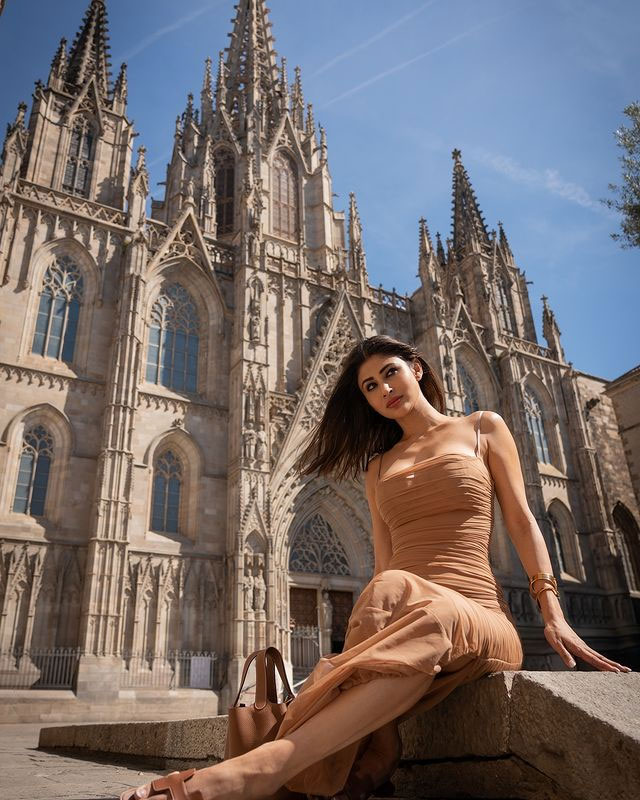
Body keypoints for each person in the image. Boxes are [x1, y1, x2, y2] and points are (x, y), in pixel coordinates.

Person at [118, 335, 631, 800]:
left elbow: (522, 520)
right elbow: (385, 567)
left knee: (426, 611)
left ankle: (262, 770)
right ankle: (376, 752)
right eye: (369, 386)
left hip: (479, 618)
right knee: (385, 587)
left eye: (390, 373)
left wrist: (551, 610)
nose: (384, 388)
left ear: (416, 368)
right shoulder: (377, 467)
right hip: (412, 614)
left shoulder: (482, 427)